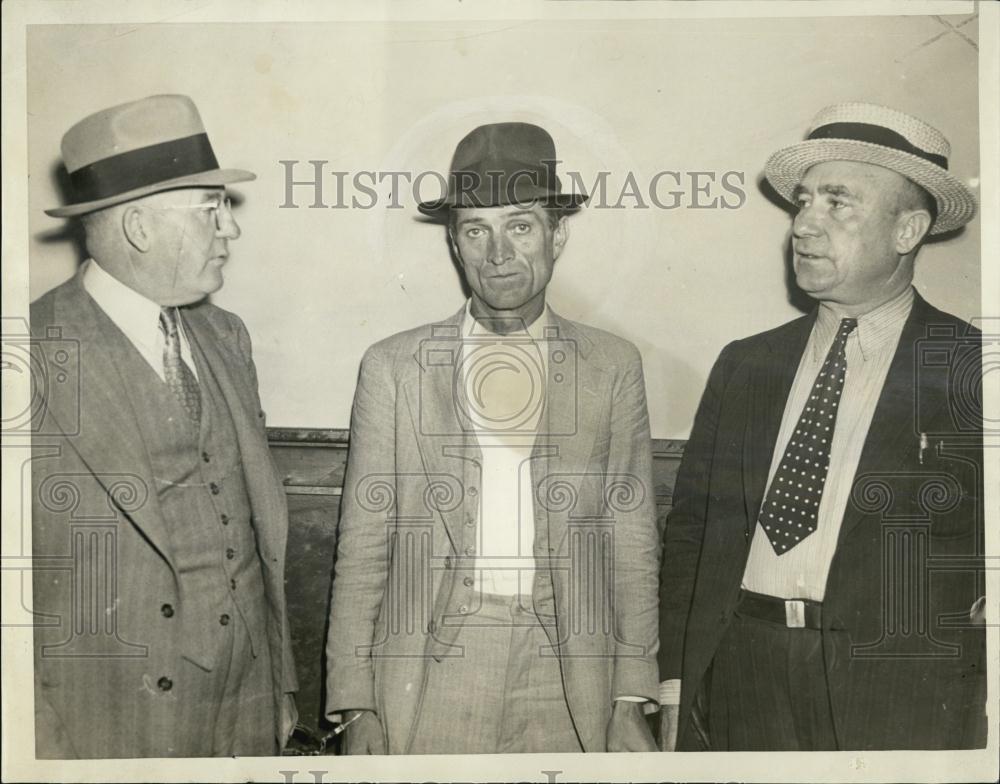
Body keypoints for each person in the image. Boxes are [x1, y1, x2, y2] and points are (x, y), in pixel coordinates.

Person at [657, 102, 986, 751]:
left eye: (838, 204)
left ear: (907, 230)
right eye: (803, 203)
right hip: (741, 676)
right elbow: (692, 539)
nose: (803, 226)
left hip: (900, 695)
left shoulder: (973, 370)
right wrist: (674, 686)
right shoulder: (747, 363)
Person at [325, 122, 661, 754]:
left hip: (571, 670)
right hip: (432, 664)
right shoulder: (393, 367)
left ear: (558, 234)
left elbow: (632, 541)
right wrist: (354, 703)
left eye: (521, 226)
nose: (498, 252)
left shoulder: (613, 366)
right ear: (455, 245)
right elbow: (363, 545)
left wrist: (629, 695)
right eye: (476, 229)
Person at [31, 94, 298, 758]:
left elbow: (256, 541)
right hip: (111, 729)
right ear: (141, 227)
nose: (229, 231)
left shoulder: (225, 336)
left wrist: (281, 688)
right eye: (212, 211)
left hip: (247, 709)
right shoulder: (27, 355)